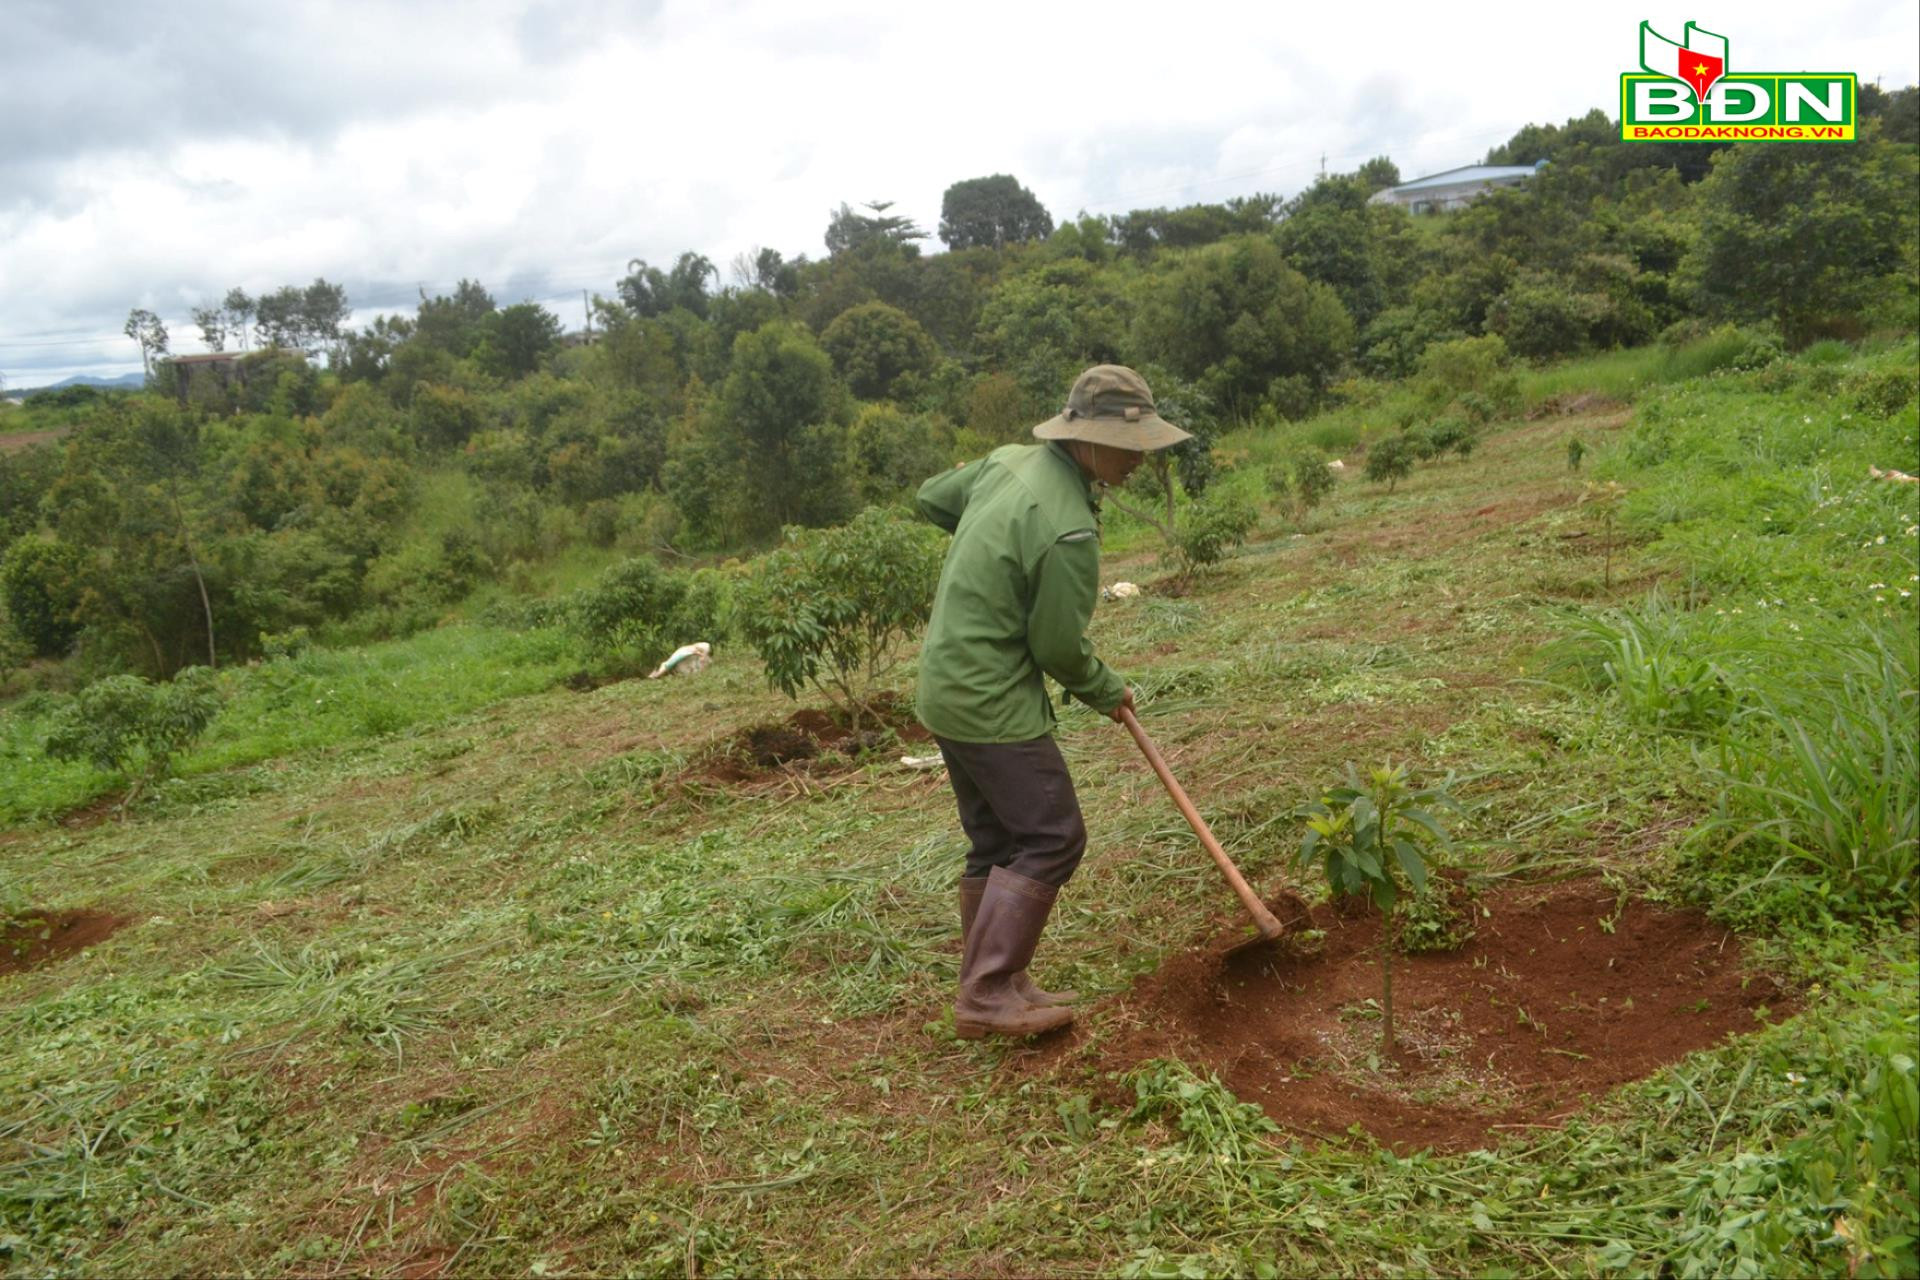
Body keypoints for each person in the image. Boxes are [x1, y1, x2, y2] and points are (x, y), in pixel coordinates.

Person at [914, 365, 1191, 1039]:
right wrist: (1108, 689)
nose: (1137, 458)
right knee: (1052, 835)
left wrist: (990, 538)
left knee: (997, 839)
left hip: (944, 686)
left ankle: (997, 979)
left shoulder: (1005, 466)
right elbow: (1059, 648)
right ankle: (985, 993)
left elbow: (930, 497)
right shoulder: (1068, 527)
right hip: (991, 701)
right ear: (1086, 442)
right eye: (1126, 446)